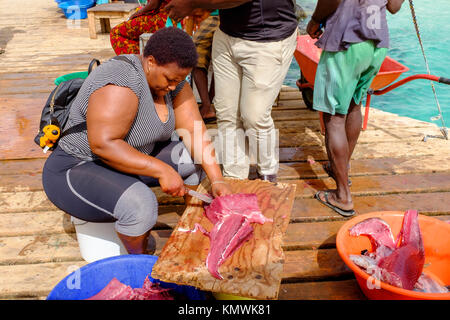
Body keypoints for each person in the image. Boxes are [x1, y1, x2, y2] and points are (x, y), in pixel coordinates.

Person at [42, 27, 231, 255]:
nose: (173, 86)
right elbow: (103, 144)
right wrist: (161, 170)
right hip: (77, 166)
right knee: (142, 204)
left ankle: (191, 225)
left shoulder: (175, 83)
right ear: (150, 61)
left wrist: (217, 179)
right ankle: (139, 259)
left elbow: (195, 131)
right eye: (170, 79)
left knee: (190, 156)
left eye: (180, 80)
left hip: (124, 163)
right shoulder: (123, 79)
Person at [166, 0, 299, 183]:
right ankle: (234, 177)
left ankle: (267, 175)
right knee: (226, 113)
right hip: (227, 34)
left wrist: (192, 3)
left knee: (254, 116)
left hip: (268, 39)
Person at [307, 0, 405, 217]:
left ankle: (342, 196)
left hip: (346, 41)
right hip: (377, 44)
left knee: (334, 118)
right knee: (353, 106)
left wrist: (314, 21)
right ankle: (341, 168)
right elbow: (394, 7)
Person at [191, 10, 220, 122]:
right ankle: (207, 105)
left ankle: (207, 105)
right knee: (221, 59)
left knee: (196, 49)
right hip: (213, 13)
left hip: (218, 14)